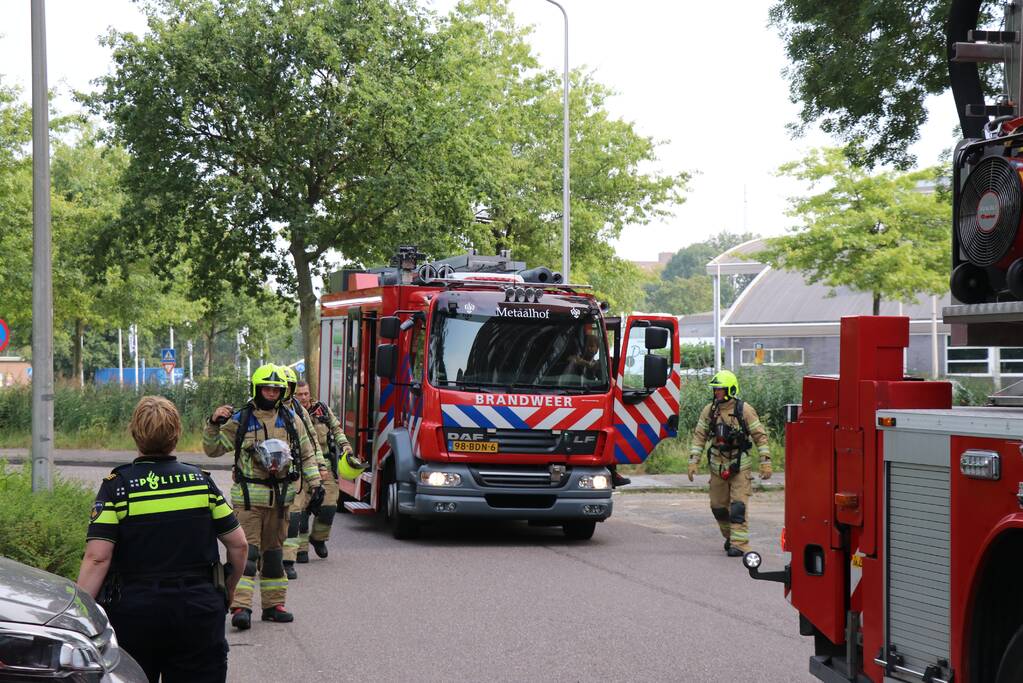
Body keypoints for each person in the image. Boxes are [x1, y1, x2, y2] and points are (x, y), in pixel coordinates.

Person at [77, 396, 248, 683]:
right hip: (198, 611)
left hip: (134, 614)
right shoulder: (200, 482)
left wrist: (80, 614)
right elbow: (239, 544)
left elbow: (98, 557)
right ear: (177, 434)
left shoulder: (117, 488)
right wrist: (227, 591)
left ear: (135, 434)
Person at [204, 363, 323, 629]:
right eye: (267, 388)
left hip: (280, 501)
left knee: (273, 555)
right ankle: (240, 607)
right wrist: (213, 423)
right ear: (257, 388)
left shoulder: (292, 419)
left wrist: (316, 484)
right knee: (249, 555)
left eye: (276, 388)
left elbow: (306, 454)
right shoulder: (241, 419)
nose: (271, 392)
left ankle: (273, 605)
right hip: (248, 502)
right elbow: (212, 449)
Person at [686, 370, 771, 557]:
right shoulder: (710, 411)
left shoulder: (744, 410)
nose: (716, 392)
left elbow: (760, 437)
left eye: (720, 389)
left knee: (738, 506)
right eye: (715, 389)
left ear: (730, 389)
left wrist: (765, 462)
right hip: (717, 464)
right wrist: (693, 461)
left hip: (740, 464)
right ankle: (730, 536)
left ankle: (739, 544)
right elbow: (699, 436)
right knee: (717, 506)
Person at [279, 365, 328, 579]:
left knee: (294, 517)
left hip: (293, 474)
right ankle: (265, 556)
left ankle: (288, 561)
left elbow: (310, 443)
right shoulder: (251, 413)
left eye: (290, 387)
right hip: (261, 480)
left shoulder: (297, 413)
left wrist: (317, 475)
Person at [296, 380, 354, 558]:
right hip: (301, 469)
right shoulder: (290, 413)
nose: (304, 397)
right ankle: (301, 549)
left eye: (306, 393)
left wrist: (345, 446)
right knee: (301, 511)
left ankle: (319, 538)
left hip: (325, 468)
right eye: (300, 394)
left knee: (329, 506)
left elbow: (336, 429)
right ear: (293, 395)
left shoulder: (322, 410)